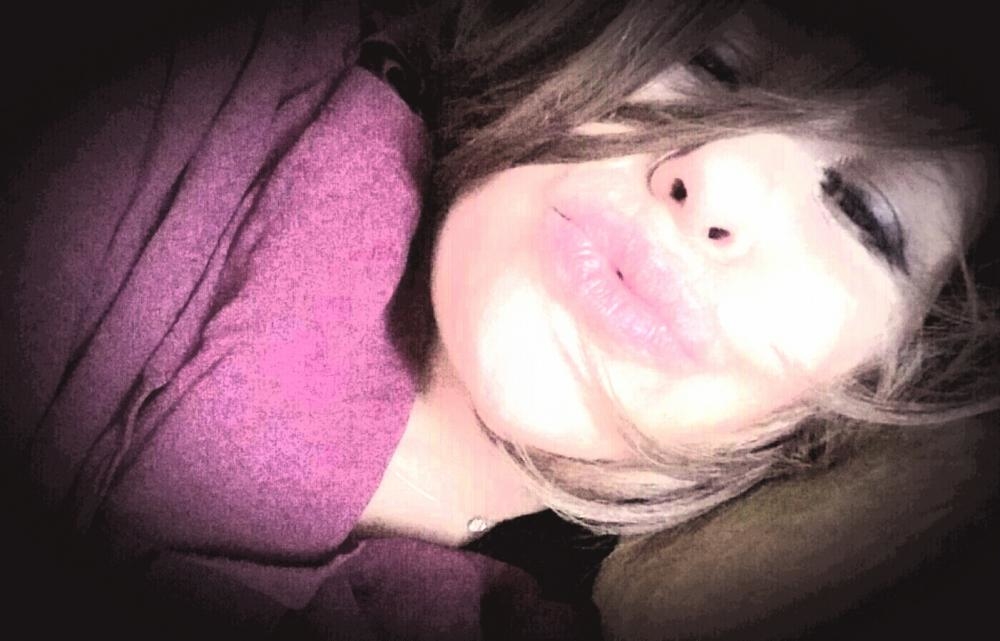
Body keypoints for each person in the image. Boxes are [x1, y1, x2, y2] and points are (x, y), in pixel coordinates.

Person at [1, 0, 997, 638]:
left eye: (865, 213)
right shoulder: (185, 109)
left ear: (872, 397)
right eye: (713, 65)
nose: (717, 176)